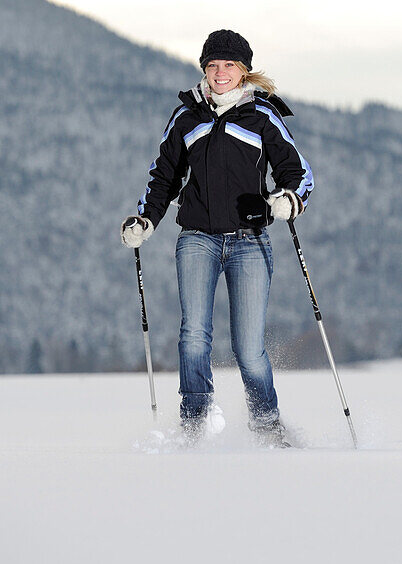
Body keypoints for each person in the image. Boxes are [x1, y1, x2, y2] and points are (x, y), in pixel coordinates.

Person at [121, 29, 313, 447]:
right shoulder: (186, 116)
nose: (220, 73)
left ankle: (268, 427)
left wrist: (286, 201)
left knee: (249, 349)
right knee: (194, 336)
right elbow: (163, 177)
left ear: (244, 71)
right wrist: (146, 220)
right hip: (197, 239)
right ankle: (195, 424)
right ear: (204, 70)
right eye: (213, 66)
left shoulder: (262, 115)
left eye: (228, 66)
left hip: (249, 242)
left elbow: (298, 174)